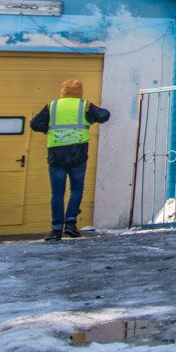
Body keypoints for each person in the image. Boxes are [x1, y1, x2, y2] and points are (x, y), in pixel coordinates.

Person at [29, 79, 110, 241]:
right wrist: (91, 120)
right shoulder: (84, 105)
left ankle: (56, 228)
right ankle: (71, 222)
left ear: (63, 91)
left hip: (56, 154)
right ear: (79, 92)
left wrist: (50, 130)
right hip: (77, 154)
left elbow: (35, 124)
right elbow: (104, 115)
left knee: (57, 193)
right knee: (76, 189)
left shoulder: (52, 106)